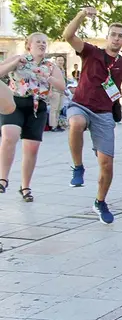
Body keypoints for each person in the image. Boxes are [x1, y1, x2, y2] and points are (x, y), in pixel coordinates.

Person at [63, 7, 122, 223]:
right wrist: (81, 15)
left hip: (104, 113)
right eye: (113, 34)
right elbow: (68, 36)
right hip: (81, 104)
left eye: (121, 36)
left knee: (107, 165)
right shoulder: (91, 52)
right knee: (75, 123)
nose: (117, 38)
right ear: (107, 37)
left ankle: (100, 201)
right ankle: (78, 167)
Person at [0, 34, 67, 200]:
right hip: (15, 102)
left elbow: (62, 86)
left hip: (38, 107)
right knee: (9, 136)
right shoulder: (19, 58)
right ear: (29, 45)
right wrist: (15, 64)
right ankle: (3, 179)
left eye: (45, 42)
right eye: (38, 41)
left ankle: (25, 187)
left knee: (31, 148)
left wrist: (48, 77)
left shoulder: (50, 66)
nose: (42, 44)